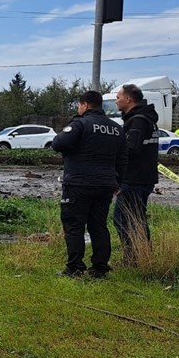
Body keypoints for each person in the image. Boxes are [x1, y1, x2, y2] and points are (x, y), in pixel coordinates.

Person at [51, 90, 126, 278]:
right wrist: (118, 182)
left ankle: (75, 267)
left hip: (79, 183)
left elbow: (58, 143)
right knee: (98, 226)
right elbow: (123, 159)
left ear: (85, 105)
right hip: (105, 185)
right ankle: (100, 268)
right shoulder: (116, 128)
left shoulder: (80, 124)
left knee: (74, 225)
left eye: (79, 105)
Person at [112, 83, 159, 266]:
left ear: (128, 99)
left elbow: (131, 149)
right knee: (137, 218)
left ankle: (132, 259)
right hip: (144, 177)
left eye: (118, 97)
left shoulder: (137, 120)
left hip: (135, 178)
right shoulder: (145, 118)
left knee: (122, 218)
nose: (116, 100)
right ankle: (143, 256)